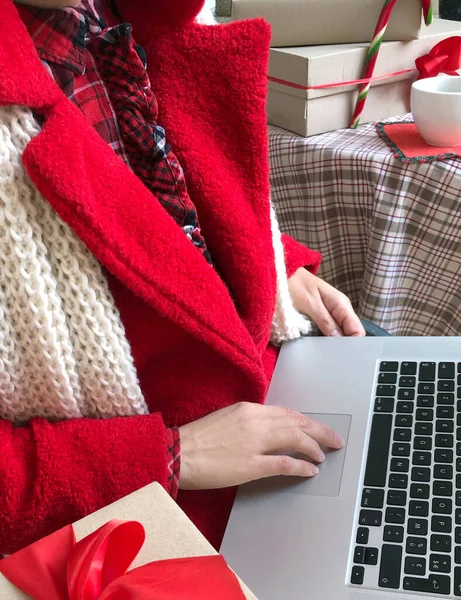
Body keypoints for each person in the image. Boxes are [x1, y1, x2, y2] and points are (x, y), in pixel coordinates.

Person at [0, 0, 365, 555]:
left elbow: (158, 189)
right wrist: (171, 456)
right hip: (141, 511)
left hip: (270, 377)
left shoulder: (139, 13)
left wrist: (267, 261)